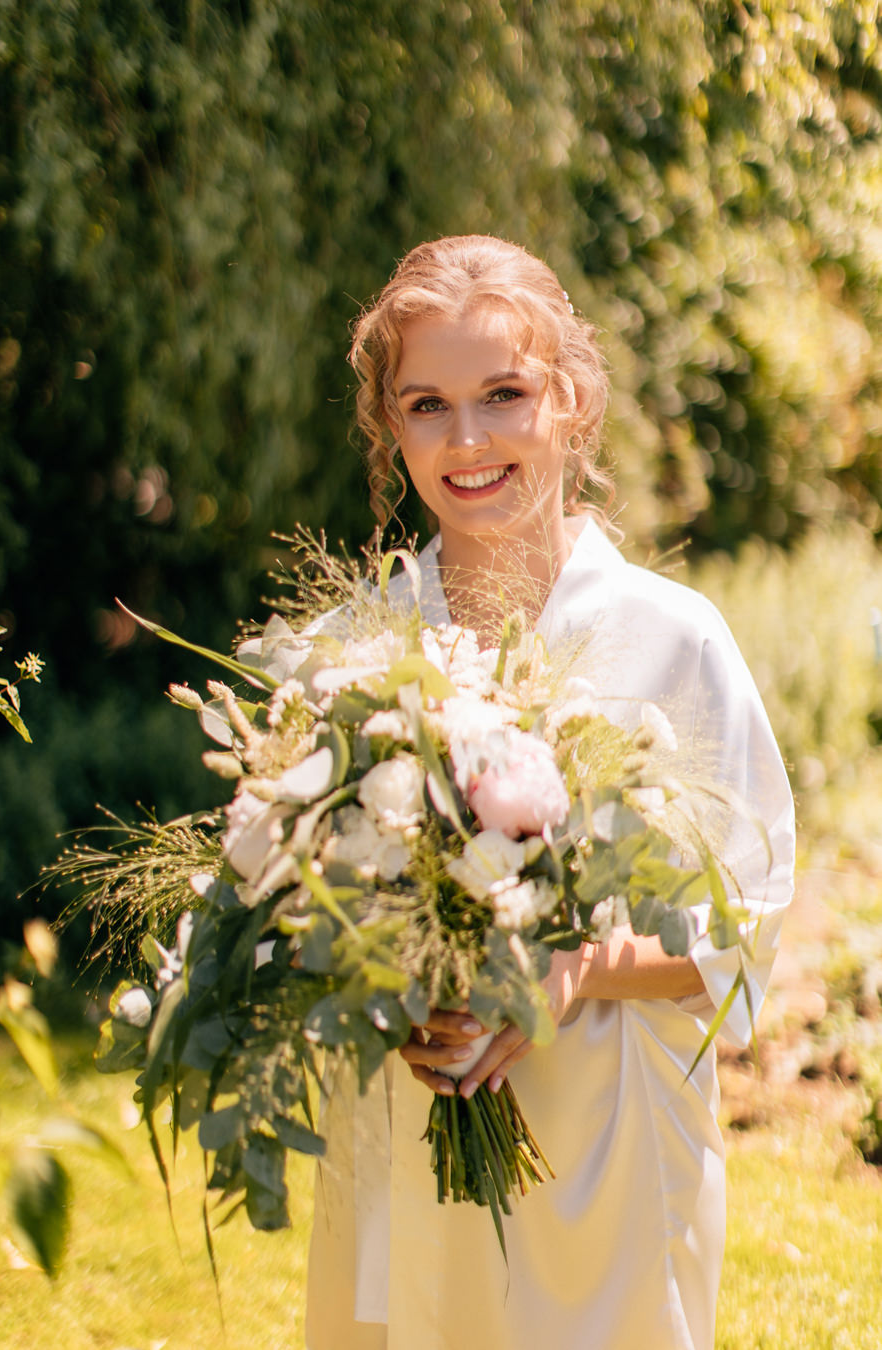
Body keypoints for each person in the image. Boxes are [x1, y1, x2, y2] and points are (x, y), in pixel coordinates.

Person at [305, 235, 795, 1350]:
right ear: (388, 422)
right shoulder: (356, 646)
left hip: (607, 1160)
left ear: (568, 398)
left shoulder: (671, 641)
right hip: (403, 1131)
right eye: (426, 404)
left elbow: (742, 922)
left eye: (504, 394)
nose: (466, 440)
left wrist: (568, 978)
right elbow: (310, 911)